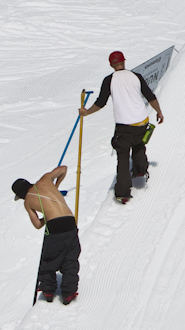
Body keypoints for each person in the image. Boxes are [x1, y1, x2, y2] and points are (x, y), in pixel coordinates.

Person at [80, 50, 164, 203]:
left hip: (124, 126)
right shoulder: (136, 76)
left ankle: (123, 193)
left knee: (123, 157)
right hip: (142, 121)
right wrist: (159, 112)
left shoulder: (109, 80)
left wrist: (86, 113)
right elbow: (150, 96)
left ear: (111, 64)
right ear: (124, 62)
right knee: (139, 145)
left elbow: (101, 102)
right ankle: (140, 170)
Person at [11, 166, 80, 305]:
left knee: (49, 258)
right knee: (70, 257)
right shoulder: (45, 179)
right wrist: (56, 186)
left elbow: (37, 224)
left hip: (54, 226)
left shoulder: (27, 202)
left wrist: (47, 216)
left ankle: (48, 291)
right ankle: (68, 292)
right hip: (70, 220)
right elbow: (64, 169)